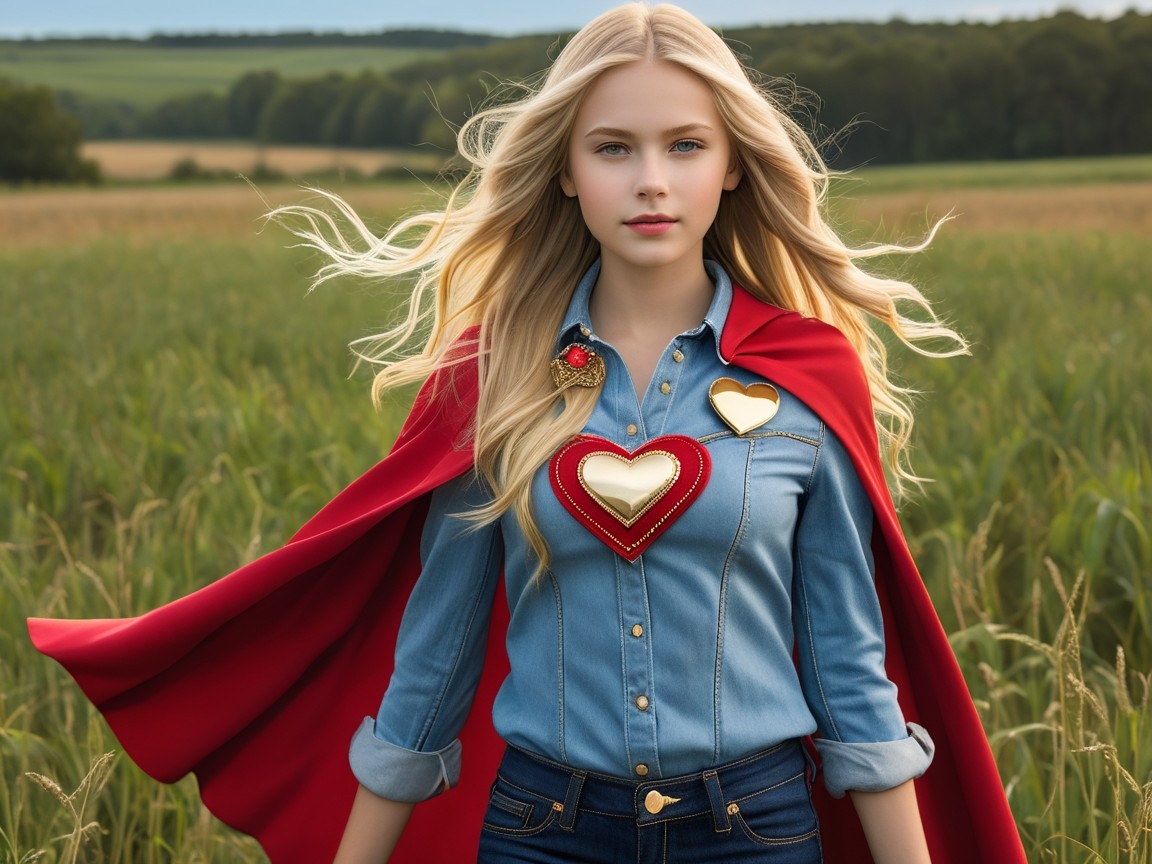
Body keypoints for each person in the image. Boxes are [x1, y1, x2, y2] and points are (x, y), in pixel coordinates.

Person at [29, 4, 1025, 863]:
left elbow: (854, 673)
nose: (650, 182)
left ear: (730, 169)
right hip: (542, 827)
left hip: (757, 829)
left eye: (685, 146)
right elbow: (434, 660)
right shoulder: (494, 376)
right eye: (613, 148)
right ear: (564, 172)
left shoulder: (805, 376)